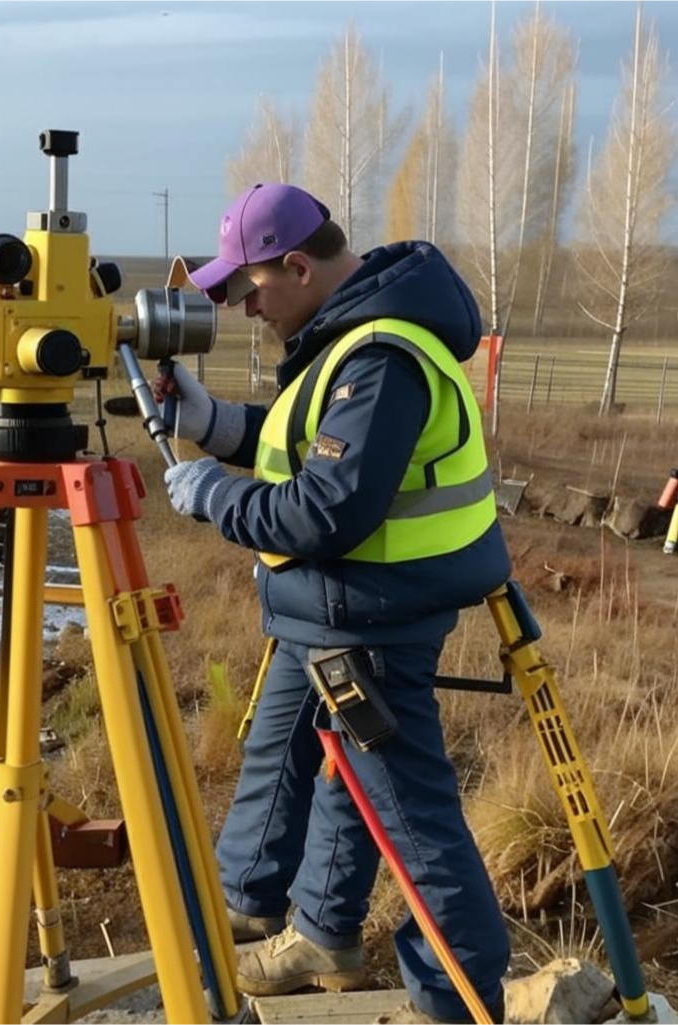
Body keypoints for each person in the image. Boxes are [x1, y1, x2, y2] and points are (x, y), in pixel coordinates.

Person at [159, 183, 511, 1024]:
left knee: (410, 816)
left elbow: (327, 507)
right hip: (329, 610)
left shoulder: (380, 357)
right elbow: (304, 441)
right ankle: (310, 926)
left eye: (249, 290)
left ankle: (456, 998)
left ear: (296, 264)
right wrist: (214, 425)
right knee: (306, 766)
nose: (245, 310)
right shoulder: (347, 337)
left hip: (373, 619)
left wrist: (214, 495)